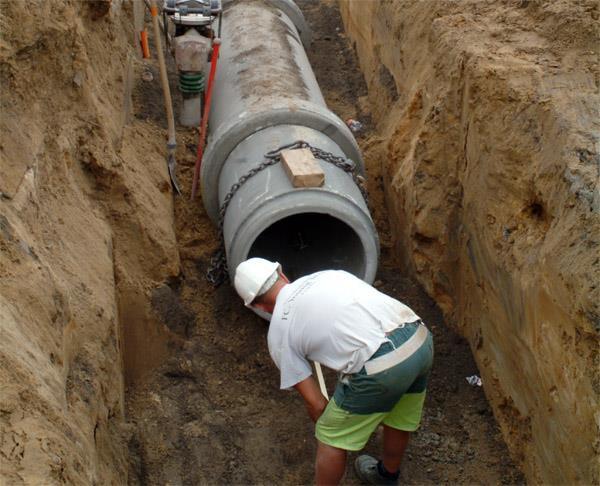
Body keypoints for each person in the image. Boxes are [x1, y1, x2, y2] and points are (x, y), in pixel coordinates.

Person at [234, 258, 434, 486]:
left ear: (256, 306)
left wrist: (334, 427)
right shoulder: (327, 274)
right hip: (419, 338)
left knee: (330, 435)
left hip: (382, 367)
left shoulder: (279, 334)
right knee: (398, 416)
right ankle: (386, 476)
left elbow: (317, 404)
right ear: (281, 274)